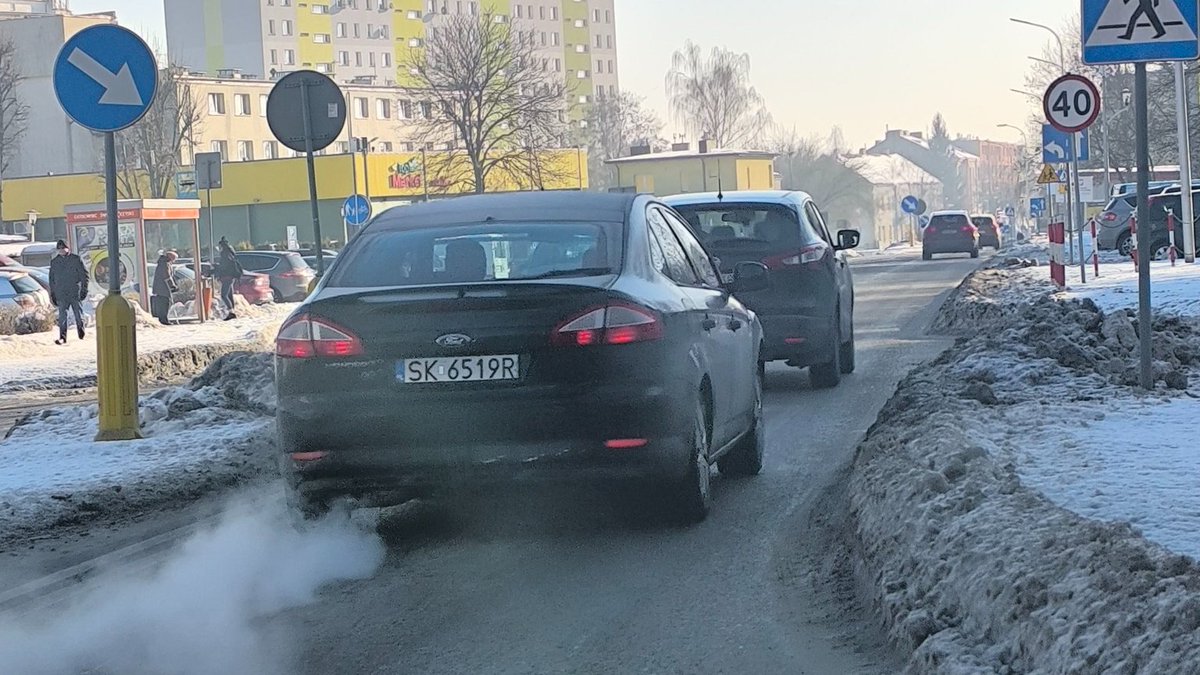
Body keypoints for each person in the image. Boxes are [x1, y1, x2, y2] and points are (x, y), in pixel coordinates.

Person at [47, 239, 88, 345]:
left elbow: (84, 276)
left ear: (68, 248)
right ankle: (62, 337)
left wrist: (84, 289)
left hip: (74, 292)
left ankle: (81, 332)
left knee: (78, 314)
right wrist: (53, 294)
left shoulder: (76, 259)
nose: (61, 250)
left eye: (63, 248)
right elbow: (51, 279)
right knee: (62, 317)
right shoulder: (55, 262)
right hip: (61, 293)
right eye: (59, 248)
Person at [214, 237, 243, 321]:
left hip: (227, 278)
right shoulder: (230, 254)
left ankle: (231, 312)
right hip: (230, 277)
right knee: (229, 295)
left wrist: (215, 268)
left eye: (219, 246)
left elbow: (223, 268)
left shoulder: (225, 255)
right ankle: (232, 312)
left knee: (224, 295)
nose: (218, 248)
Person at [151, 250, 179, 326]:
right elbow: (167, 276)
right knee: (164, 304)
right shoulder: (164, 264)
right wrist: (172, 286)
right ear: (171, 257)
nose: (174, 260)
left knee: (165, 303)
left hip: (162, 288)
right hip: (162, 288)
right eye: (174, 258)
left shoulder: (164, 263)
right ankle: (163, 320)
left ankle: (164, 319)